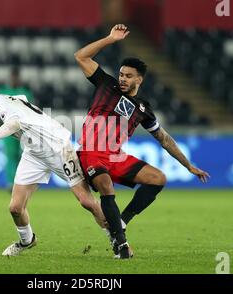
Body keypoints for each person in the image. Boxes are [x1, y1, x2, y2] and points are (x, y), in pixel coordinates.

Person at [74, 24, 210, 259]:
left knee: (158, 178)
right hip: (91, 152)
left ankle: (122, 222)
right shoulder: (106, 85)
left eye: (128, 76)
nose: (122, 79)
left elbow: (164, 139)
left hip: (115, 156)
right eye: (121, 74)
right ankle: (121, 244)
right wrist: (109, 39)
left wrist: (188, 166)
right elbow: (80, 56)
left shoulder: (143, 108)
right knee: (106, 185)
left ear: (140, 79)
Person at [0, 81, 107, 256]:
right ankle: (27, 240)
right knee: (15, 208)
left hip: (57, 147)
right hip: (34, 153)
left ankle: (117, 238)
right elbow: (22, 100)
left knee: (87, 201)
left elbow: (14, 124)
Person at [0, 67, 34, 190]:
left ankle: (22, 181)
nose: (14, 79)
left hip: (23, 129)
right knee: (11, 156)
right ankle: (11, 183)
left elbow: (31, 111)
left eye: (16, 77)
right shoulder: (2, 92)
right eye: (12, 77)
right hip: (8, 130)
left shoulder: (25, 93)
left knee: (22, 155)